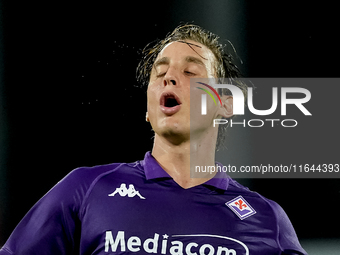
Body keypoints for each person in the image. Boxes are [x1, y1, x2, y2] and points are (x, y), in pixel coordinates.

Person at [0, 24, 307, 255]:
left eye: (190, 71)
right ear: (149, 110)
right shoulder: (84, 190)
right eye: (159, 73)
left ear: (224, 104)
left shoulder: (267, 219)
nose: (169, 77)